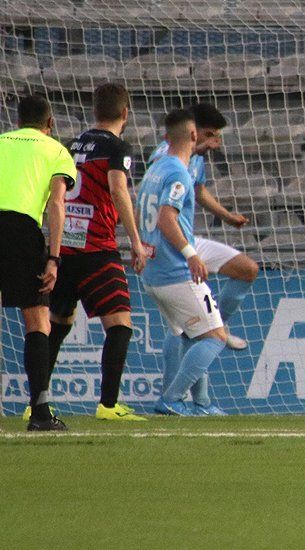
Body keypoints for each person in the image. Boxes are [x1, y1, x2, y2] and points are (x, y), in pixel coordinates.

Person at [42, 83, 149, 422]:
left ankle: (37, 401)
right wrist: (135, 239)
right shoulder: (117, 146)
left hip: (63, 248)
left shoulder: (70, 145)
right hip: (98, 248)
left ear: (94, 111)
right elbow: (118, 189)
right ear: (125, 113)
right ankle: (108, 405)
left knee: (56, 325)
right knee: (120, 324)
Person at [149, 103, 255, 414]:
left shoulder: (194, 160)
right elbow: (163, 211)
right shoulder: (168, 159)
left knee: (246, 269)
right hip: (172, 246)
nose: (216, 144)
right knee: (181, 330)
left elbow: (197, 190)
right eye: (212, 136)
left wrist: (226, 215)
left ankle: (215, 324)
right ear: (195, 133)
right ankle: (182, 398)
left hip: (186, 241)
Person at [138, 109, 227, 416]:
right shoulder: (178, 172)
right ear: (193, 135)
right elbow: (165, 218)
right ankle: (171, 398)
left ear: (166, 137)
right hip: (174, 271)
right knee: (216, 337)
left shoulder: (154, 169)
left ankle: (200, 405)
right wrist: (191, 254)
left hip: (154, 270)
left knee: (187, 335)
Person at [0, 95, 75, 431]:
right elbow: (57, 204)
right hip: (21, 230)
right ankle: (41, 413)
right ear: (50, 123)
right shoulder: (55, 149)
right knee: (38, 318)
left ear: (17, 122)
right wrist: (55, 258)